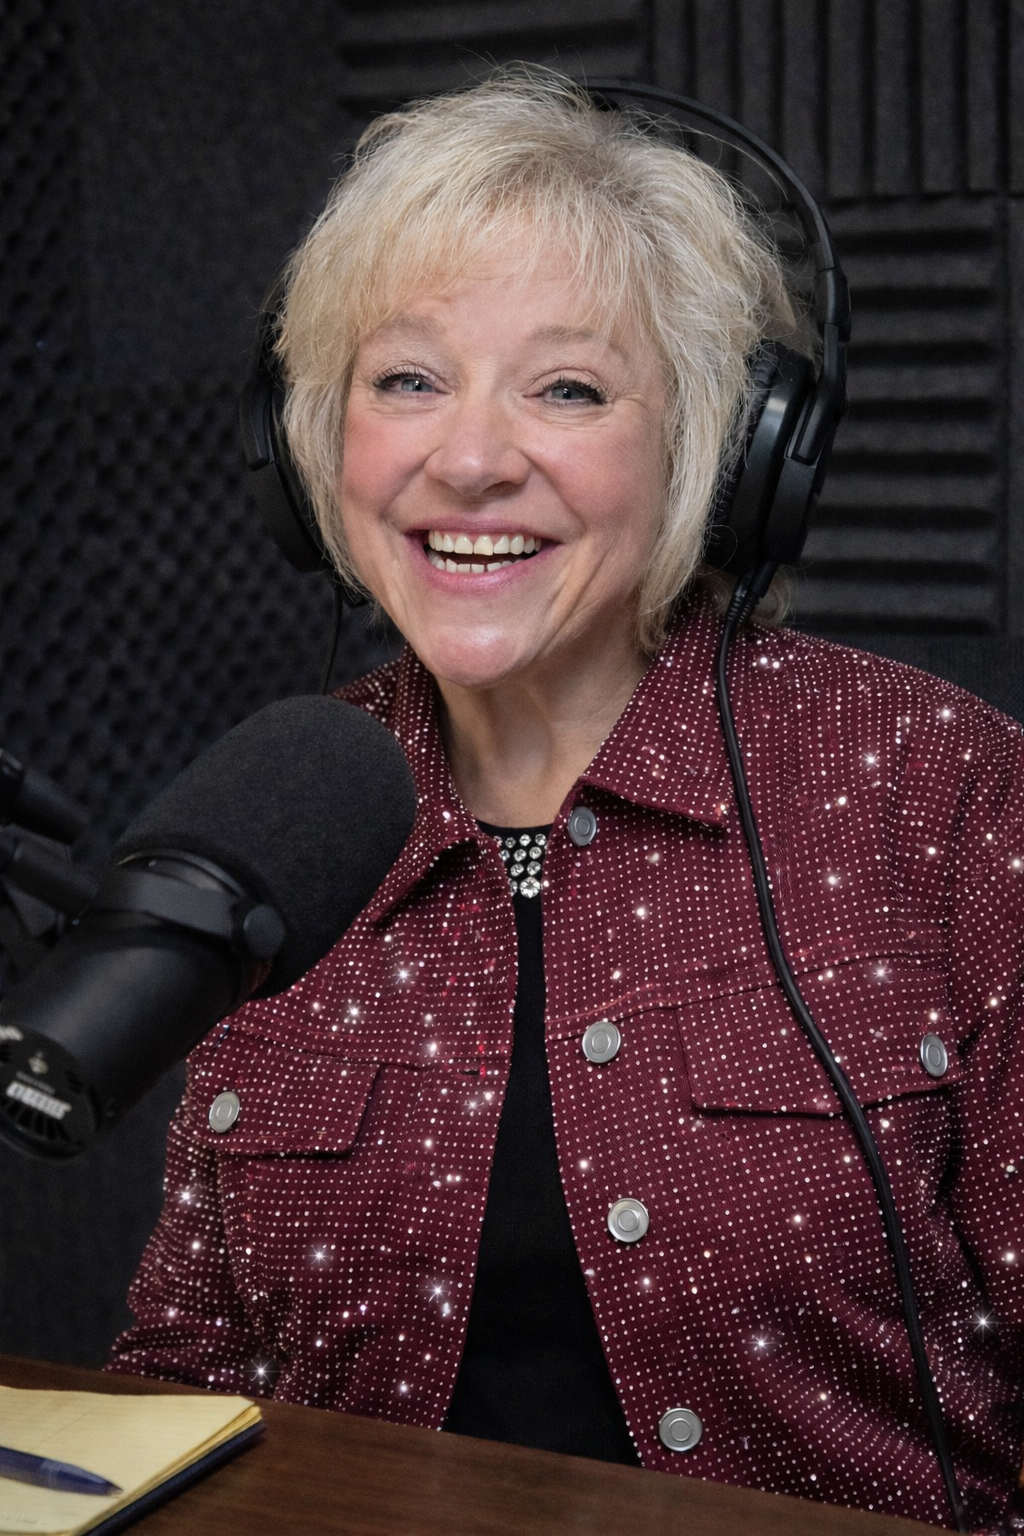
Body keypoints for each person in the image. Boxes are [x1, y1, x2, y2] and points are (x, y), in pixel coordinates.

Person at [108, 68, 1023, 1531]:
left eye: (569, 389)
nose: (469, 460)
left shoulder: (937, 790)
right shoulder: (279, 819)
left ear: (724, 452)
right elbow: (184, 1387)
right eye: (407, 380)